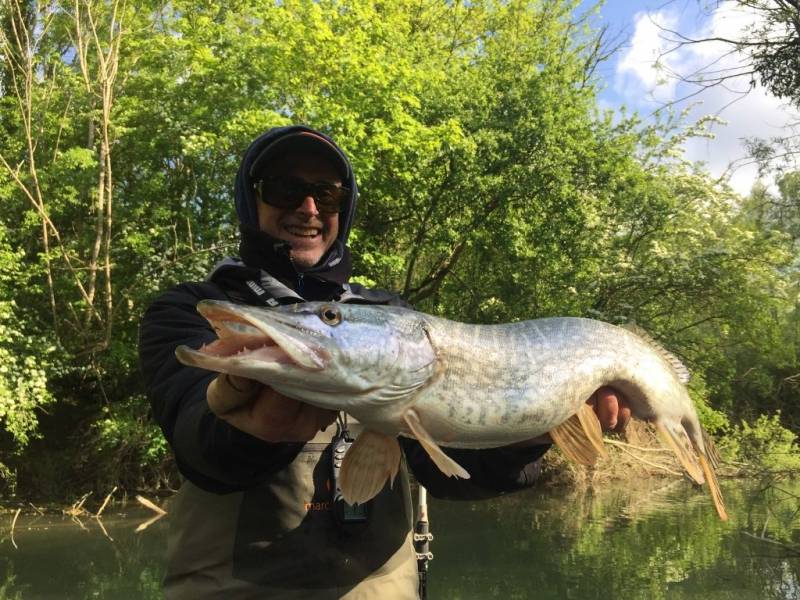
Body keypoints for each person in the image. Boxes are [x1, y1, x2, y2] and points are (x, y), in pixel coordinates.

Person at [139, 125, 630, 599]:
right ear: (253, 201)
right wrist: (250, 431)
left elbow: (451, 475)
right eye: (285, 189)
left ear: (342, 210)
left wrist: (536, 428)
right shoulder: (189, 311)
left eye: (326, 195)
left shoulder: (393, 319)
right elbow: (197, 441)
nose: (308, 208)